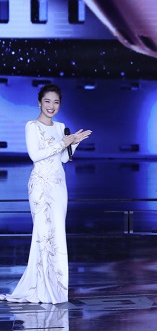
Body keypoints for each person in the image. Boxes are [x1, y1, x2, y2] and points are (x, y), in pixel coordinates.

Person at [0, 84, 92, 304]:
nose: (51, 106)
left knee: (57, 234)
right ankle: (39, 288)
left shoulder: (60, 127)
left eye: (56, 102)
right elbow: (35, 155)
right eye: (47, 101)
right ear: (39, 102)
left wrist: (74, 143)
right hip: (40, 186)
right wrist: (63, 143)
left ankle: (55, 289)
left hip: (59, 186)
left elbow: (63, 158)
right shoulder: (31, 126)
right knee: (43, 235)